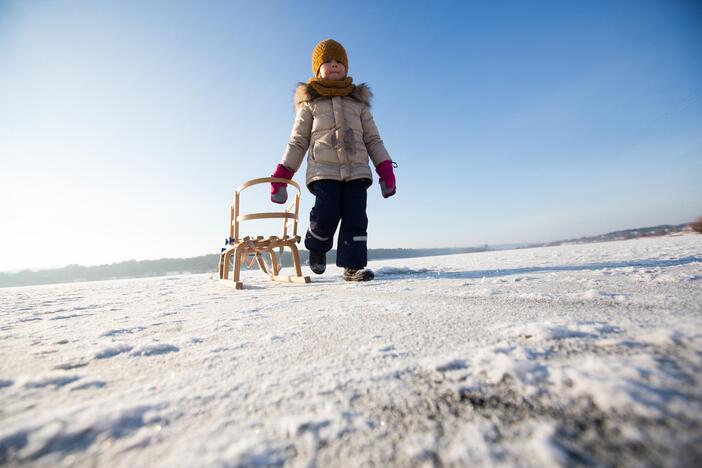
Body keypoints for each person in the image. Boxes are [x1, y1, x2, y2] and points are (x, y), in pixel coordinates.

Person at [270, 38, 396, 282]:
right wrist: (282, 175)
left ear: (347, 67)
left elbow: (373, 140)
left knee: (356, 218)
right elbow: (297, 142)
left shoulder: (358, 104)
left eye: (339, 61)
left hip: (358, 171)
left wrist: (385, 169)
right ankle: (316, 248)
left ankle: (353, 266)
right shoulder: (310, 104)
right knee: (325, 214)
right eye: (328, 62)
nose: (335, 65)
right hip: (323, 171)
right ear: (317, 69)